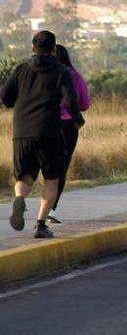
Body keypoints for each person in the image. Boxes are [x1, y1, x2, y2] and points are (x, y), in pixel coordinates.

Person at [1, 31, 83, 239]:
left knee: (25, 176)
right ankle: (40, 225)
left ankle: (20, 198)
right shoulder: (61, 71)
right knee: (52, 180)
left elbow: (6, 98)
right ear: (54, 49)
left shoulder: (21, 69)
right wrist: (77, 119)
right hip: (50, 132)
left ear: (33, 48)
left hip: (22, 131)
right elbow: (71, 101)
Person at [47, 44, 91, 224]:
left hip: (45, 123)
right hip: (68, 125)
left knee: (45, 164)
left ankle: (23, 195)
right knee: (61, 168)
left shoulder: (43, 75)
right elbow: (85, 104)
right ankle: (50, 209)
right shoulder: (75, 76)